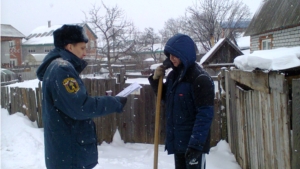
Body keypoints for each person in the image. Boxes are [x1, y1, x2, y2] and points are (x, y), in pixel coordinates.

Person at [36, 24, 127, 169]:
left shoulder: (57, 67)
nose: (85, 53)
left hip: (65, 152)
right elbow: (80, 107)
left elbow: (73, 103)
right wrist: (113, 102)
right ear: (70, 47)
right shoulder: (62, 69)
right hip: (70, 154)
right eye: (82, 48)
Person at [148, 33, 214, 169]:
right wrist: (155, 80)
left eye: (175, 54)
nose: (171, 58)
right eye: (169, 54)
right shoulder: (174, 76)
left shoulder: (200, 79)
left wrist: (196, 145)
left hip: (192, 144)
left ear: (185, 54)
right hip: (178, 142)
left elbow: (205, 114)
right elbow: (166, 98)